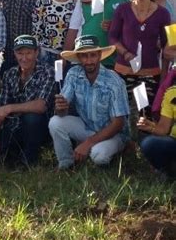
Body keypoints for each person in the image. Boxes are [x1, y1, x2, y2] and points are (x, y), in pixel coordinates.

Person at [49, 35, 129, 170]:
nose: (89, 60)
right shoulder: (74, 73)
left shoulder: (114, 81)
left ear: (99, 55)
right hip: (87, 127)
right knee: (55, 122)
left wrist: (88, 143)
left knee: (98, 155)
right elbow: (61, 112)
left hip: (113, 134)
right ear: (79, 58)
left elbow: (118, 124)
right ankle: (66, 164)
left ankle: (121, 149)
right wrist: (60, 107)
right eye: (84, 56)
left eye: (93, 55)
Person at [0, 35, 55, 167]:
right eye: (20, 53)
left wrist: (10, 108)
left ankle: (29, 158)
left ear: (36, 52)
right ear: (14, 53)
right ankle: (12, 154)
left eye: (28, 53)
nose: (24, 58)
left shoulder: (47, 72)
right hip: (14, 125)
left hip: (40, 127)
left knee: (32, 118)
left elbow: (41, 105)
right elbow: (0, 109)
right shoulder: (9, 74)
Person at [109, 0, 170, 124]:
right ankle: (123, 144)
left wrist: (164, 74)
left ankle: (143, 145)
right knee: (120, 112)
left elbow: (166, 46)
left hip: (149, 72)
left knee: (145, 114)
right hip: (124, 69)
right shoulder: (123, 9)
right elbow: (113, 37)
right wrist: (125, 53)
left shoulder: (163, 13)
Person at [64, 0, 131, 68]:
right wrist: (64, 57)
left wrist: (115, 26)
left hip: (113, 62)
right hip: (85, 59)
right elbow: (73, 28)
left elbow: (133, 27)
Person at [32, 0, 77, 66]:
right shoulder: (42, 2)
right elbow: (36, 32)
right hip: (45, 54)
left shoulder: (76, 5)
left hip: (68, 55)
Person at [137, 83, 176, 181]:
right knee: (149, 143)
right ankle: (166, 171)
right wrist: (151, 128)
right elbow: (164, 129)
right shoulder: (172, 93)